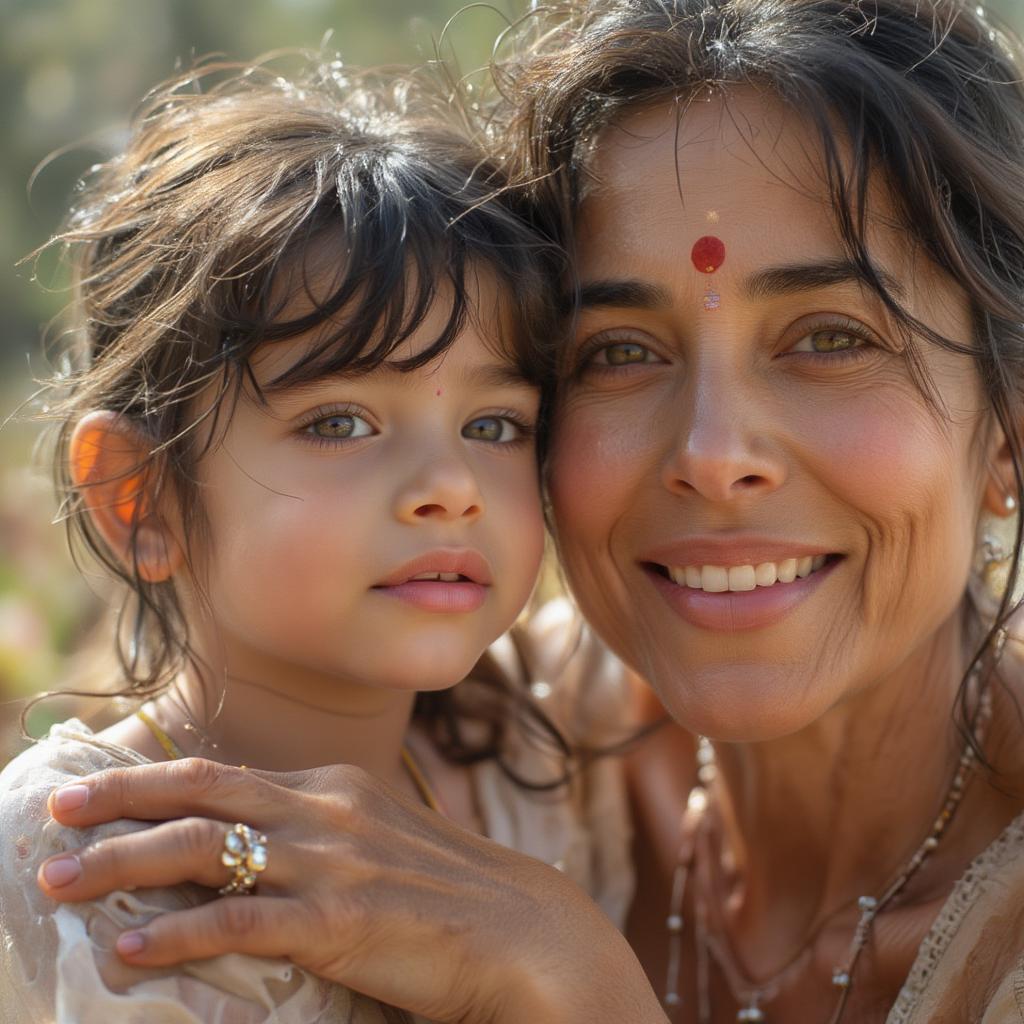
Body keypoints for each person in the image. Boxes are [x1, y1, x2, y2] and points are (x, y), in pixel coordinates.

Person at [31, 0, 1024, 1020]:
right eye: (621, 352)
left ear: (1007, 431)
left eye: (829, 337)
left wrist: (564, 968)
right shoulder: (488, 737)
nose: (713, 456)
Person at [0, 57, 638, 1024]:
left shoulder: (535, 772)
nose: (449, 488)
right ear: (138, 497)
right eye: (340, 422)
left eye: (496, 425)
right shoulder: (75, 871)